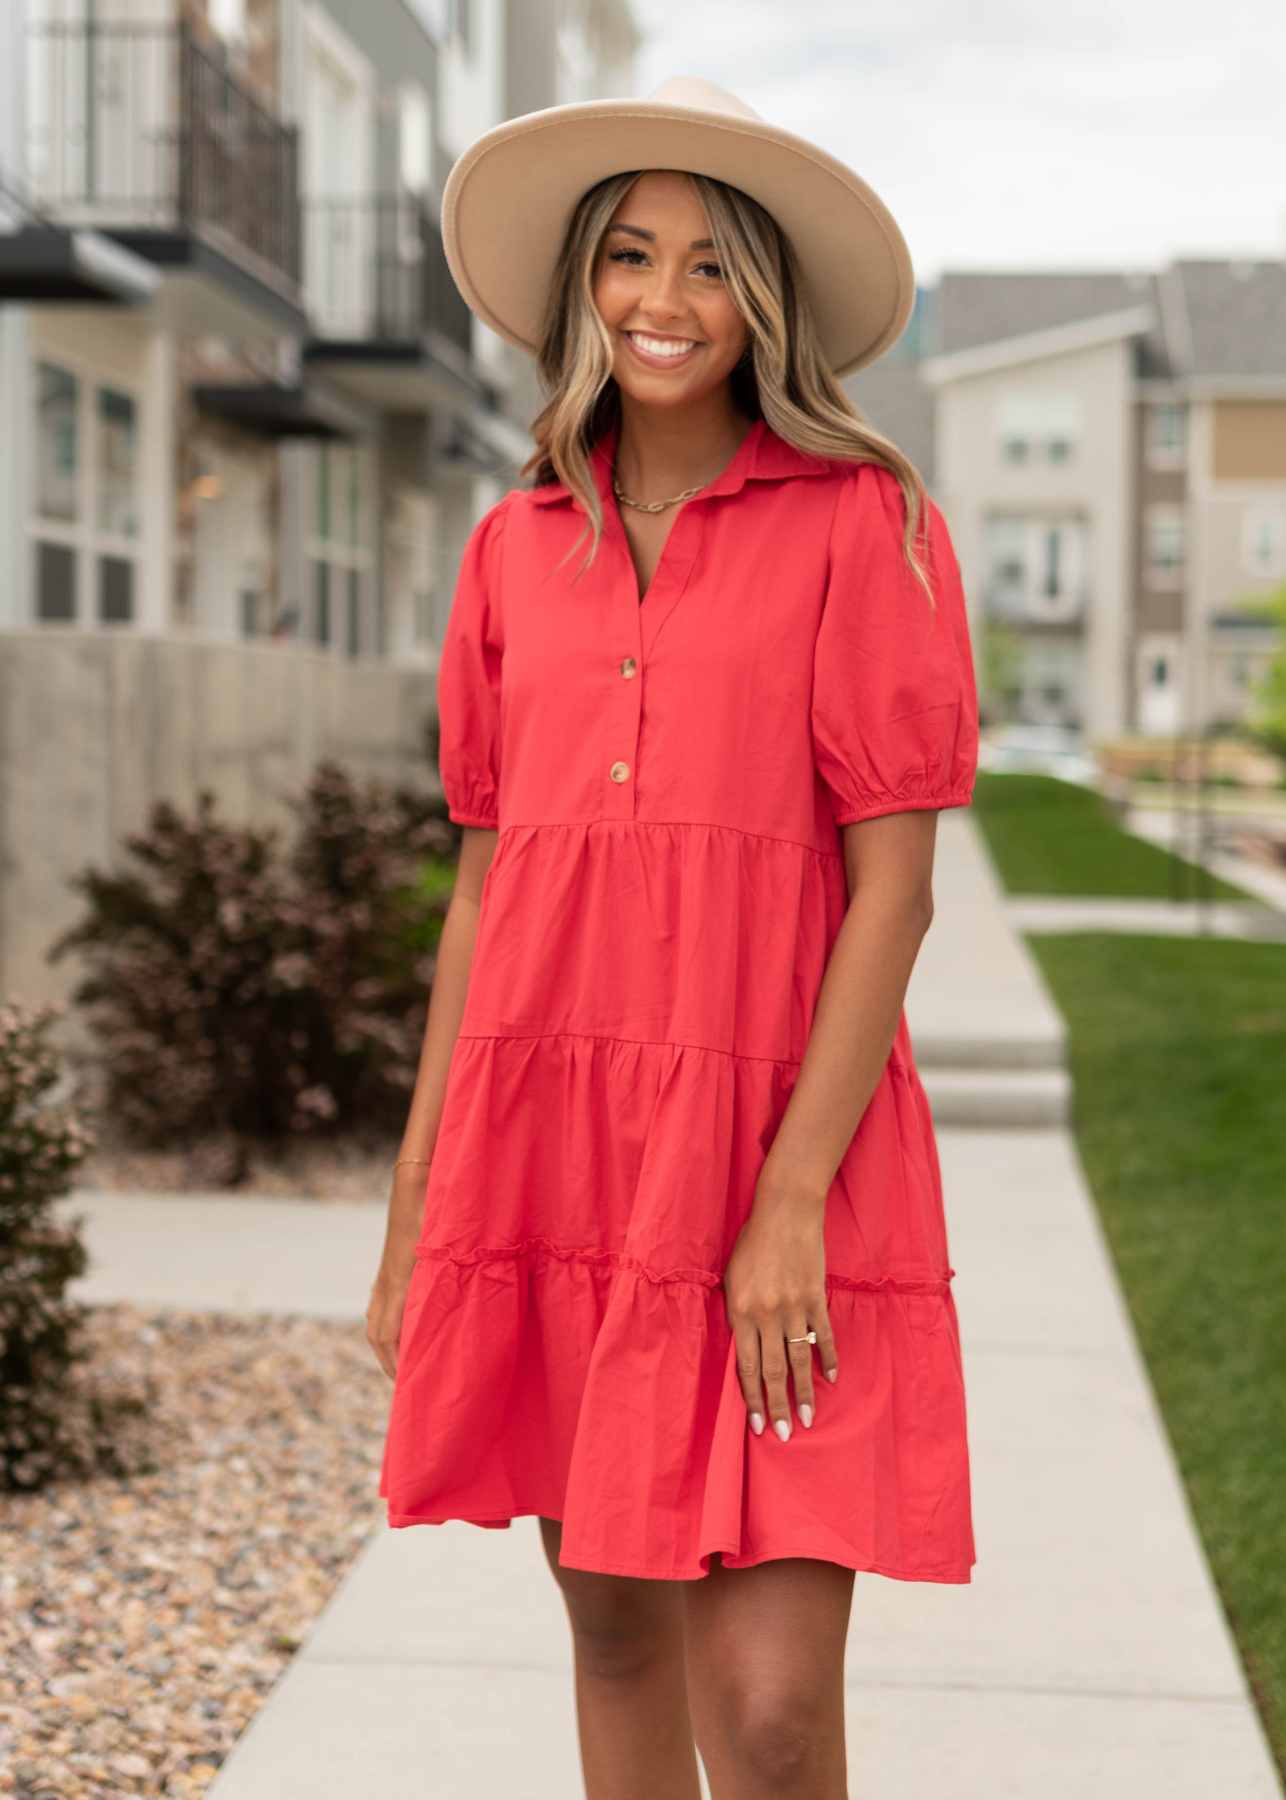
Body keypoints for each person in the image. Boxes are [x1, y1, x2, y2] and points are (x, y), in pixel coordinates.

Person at [366, 76, 977, 1800]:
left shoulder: (866, 527)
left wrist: (789, 1196)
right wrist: (422, 1202)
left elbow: (896, 888)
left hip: (791, 1153)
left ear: (760, 304)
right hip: (557, 1156)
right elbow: (486, 892)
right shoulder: (509, 550)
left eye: (708, 266)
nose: (660, 298)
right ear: (581, 291)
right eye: (628, 256)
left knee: (774, 1713)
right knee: (614, 1630)